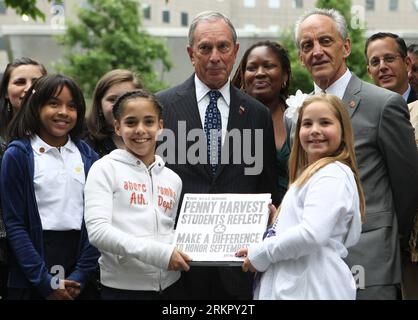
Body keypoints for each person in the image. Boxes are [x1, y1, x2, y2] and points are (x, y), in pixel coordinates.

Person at [293, 8, 418, 299]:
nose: (317, 51)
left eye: (326, 41)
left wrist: (382, 234)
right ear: (300, 57)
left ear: (346, 46)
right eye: (307, 46)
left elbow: (408, 186)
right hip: (311, 265)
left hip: (370, 262)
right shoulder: (298, 115)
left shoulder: (383, 104)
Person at [156, 11, 280, 299]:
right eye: (205, 48)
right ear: (190, 53)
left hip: (238, 268)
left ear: (235, 51)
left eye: (223, 47)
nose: (215, 56)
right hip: (179, 267)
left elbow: (266, 186)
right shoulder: (162, 107)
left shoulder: (257, 114)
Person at [237, 94, 365, 299]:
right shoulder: (313, 175)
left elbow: (311, 235)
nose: (315, 130)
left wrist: (260, 252)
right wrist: (277, 223)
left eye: (325, 122)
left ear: (343, 131)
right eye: (307, 123)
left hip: (313, 289)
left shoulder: (332, 174)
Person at [0, 74, 99, 300]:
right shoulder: (18, 155)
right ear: (36, 107)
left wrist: (81, 275)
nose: (63, 112)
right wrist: (47, 282)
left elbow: (97, 220)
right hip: (33, 266)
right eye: (53, 104)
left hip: (79, 265)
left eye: (71, 106)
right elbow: (14, 223)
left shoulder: (88, 156)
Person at [84, 90, 190, 300]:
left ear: (160, 126)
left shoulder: (173, 179)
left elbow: (170, 230)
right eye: (131, 122)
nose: (140, 130)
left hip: (171, 288)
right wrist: (160, 255)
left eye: (149, 122)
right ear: (117, 127)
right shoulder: (104, 169)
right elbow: (98, 232)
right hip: (122, 291)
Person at [0, 58, 46, 300]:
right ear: (6, 93)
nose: (28, 87)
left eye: (36, 81)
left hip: (46, 249)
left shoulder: (65, 139)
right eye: (19, 81)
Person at [232, 40, 291, 198]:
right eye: (252, 68)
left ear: (285, 74)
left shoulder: (300, 117)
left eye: (268, 66)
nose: (259, 73)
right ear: (244, 76)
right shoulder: (228, 120)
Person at [84, 69, 143, 157]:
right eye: (112, 99)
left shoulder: (152, 141)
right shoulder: (84, 146)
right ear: (99, 105)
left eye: (128, 99)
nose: (120, 106)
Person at [365, 33, 416, 103]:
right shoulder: (361, 110)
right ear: (369, 72)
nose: (382, 67)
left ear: (407, 64)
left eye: (389, 58)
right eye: (375, 62)